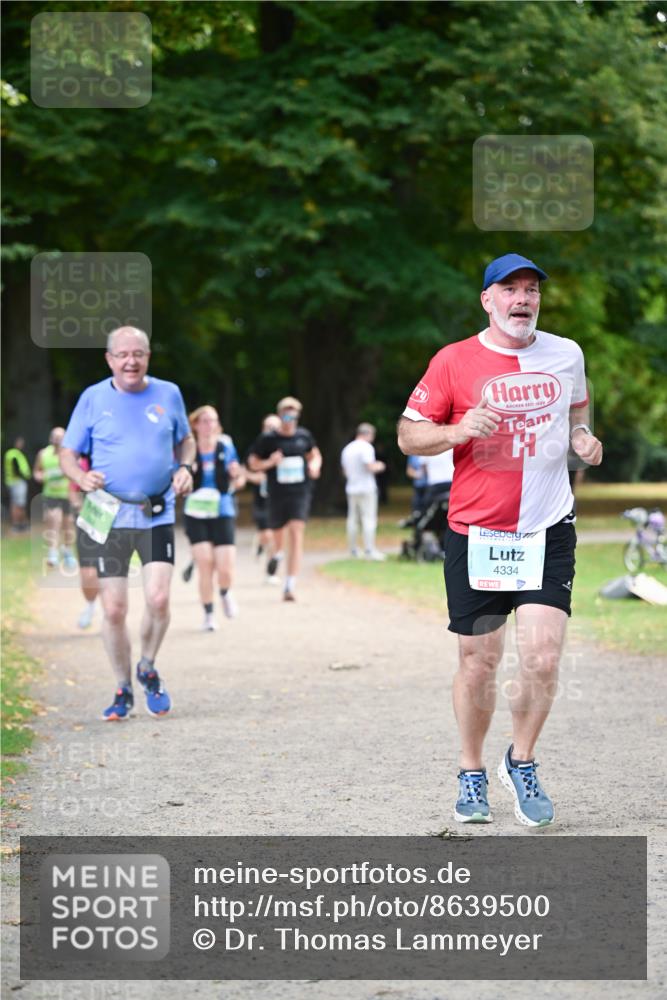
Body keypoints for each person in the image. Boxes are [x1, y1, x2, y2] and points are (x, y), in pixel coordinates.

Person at [397, 252, 603, 828]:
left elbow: (578, 414)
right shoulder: (453, 360)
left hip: (547, 526)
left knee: (540, 656)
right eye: (509, 288)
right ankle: (470, 772)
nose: (522, 298)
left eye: (531, 290)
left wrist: (584, 440)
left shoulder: (566, 354)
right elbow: (409, 436)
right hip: (476, 530)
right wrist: (459, 429)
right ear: (487, 299)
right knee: (478, 662)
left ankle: (523, 759)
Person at [59, 325, 195, 721]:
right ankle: (122, 688)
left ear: (148, 356)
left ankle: (148, 667)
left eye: (138, 353)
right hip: (109, 513)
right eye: (122, 355)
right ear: (110, 359)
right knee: (114, 608)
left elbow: (185, 440)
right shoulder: (92, 398)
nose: (131, 361)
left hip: (156, 510)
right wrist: (80, 477)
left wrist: (185, 466)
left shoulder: (168, 393)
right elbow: (69, 452)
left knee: (158, 598)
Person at [247, 396, 322, 602]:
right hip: (277, 494)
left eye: (293, 414)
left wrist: (315, 465)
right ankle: (277, 554)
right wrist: (270, 462)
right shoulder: (268, 440)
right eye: (286, 413)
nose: (289, 417)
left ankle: (290, 584)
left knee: (297, 532)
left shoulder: (303, 436)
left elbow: (314, 454)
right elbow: (253, 463)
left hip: (300, 492)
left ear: (297, 416)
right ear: (279, 415)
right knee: (278, 535)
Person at [185, 405, 245, 630]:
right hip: (196, 512)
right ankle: (209, 614)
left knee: (225, 567)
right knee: (205, 564)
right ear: (196, 424)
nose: (210, 425)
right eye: (205, 421)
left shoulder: (225, 446)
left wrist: (235, 475)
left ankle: (225, 592)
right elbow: (175, 478)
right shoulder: (187, 450)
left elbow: (238, 478)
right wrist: (186, 472)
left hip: (222, 510)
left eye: (214, 421)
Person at [244, 414, 282, 584]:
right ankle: (270, 566)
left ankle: (270, 568)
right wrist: (255, 477)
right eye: (269, 426)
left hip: (280, 498)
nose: (272, 430)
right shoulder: (256, 448)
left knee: (275, 535)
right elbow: (242, 470)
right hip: (262, 499)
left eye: (275, 426)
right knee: (268, 533)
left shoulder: (284, 447)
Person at [340, 423, 386, 560]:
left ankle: (353, 549)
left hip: (351, 487)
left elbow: (345, 471)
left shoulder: (347, 448)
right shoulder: (366, 447)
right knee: (368, 519)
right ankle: (369, 550)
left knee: (352, 519)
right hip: (366, 488)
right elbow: (370, 466)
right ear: (368, 434)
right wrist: (380, 466)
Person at [33, 427, 76, 569]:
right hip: (51, 494)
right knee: (54, 521)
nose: (58, 439)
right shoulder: (43, 454)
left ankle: (67, 550)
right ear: (51, 438)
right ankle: (52, 553)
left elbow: (78, 471)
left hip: (67, 494)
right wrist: (40, 476)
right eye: (55, 436)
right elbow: (36, 472)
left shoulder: (69, 454)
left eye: (61, 436)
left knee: (68, 523)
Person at [70, 454, 100, 629]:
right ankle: (90, 605)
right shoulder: (81, 463)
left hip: (114, 523)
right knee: (88, 574)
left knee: (111, 571)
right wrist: (81, 509)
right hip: (87, 522)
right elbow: (72, 491)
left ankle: (109, 612)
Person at [3, 436, 31, 532]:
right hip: (16, 481)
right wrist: (25, 476)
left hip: (13, 482)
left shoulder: (12, 453)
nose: (22, 444)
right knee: (17, 504)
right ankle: (17, 524)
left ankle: (21, 523)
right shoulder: (14, 454)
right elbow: (17, 469)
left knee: (17, 503)